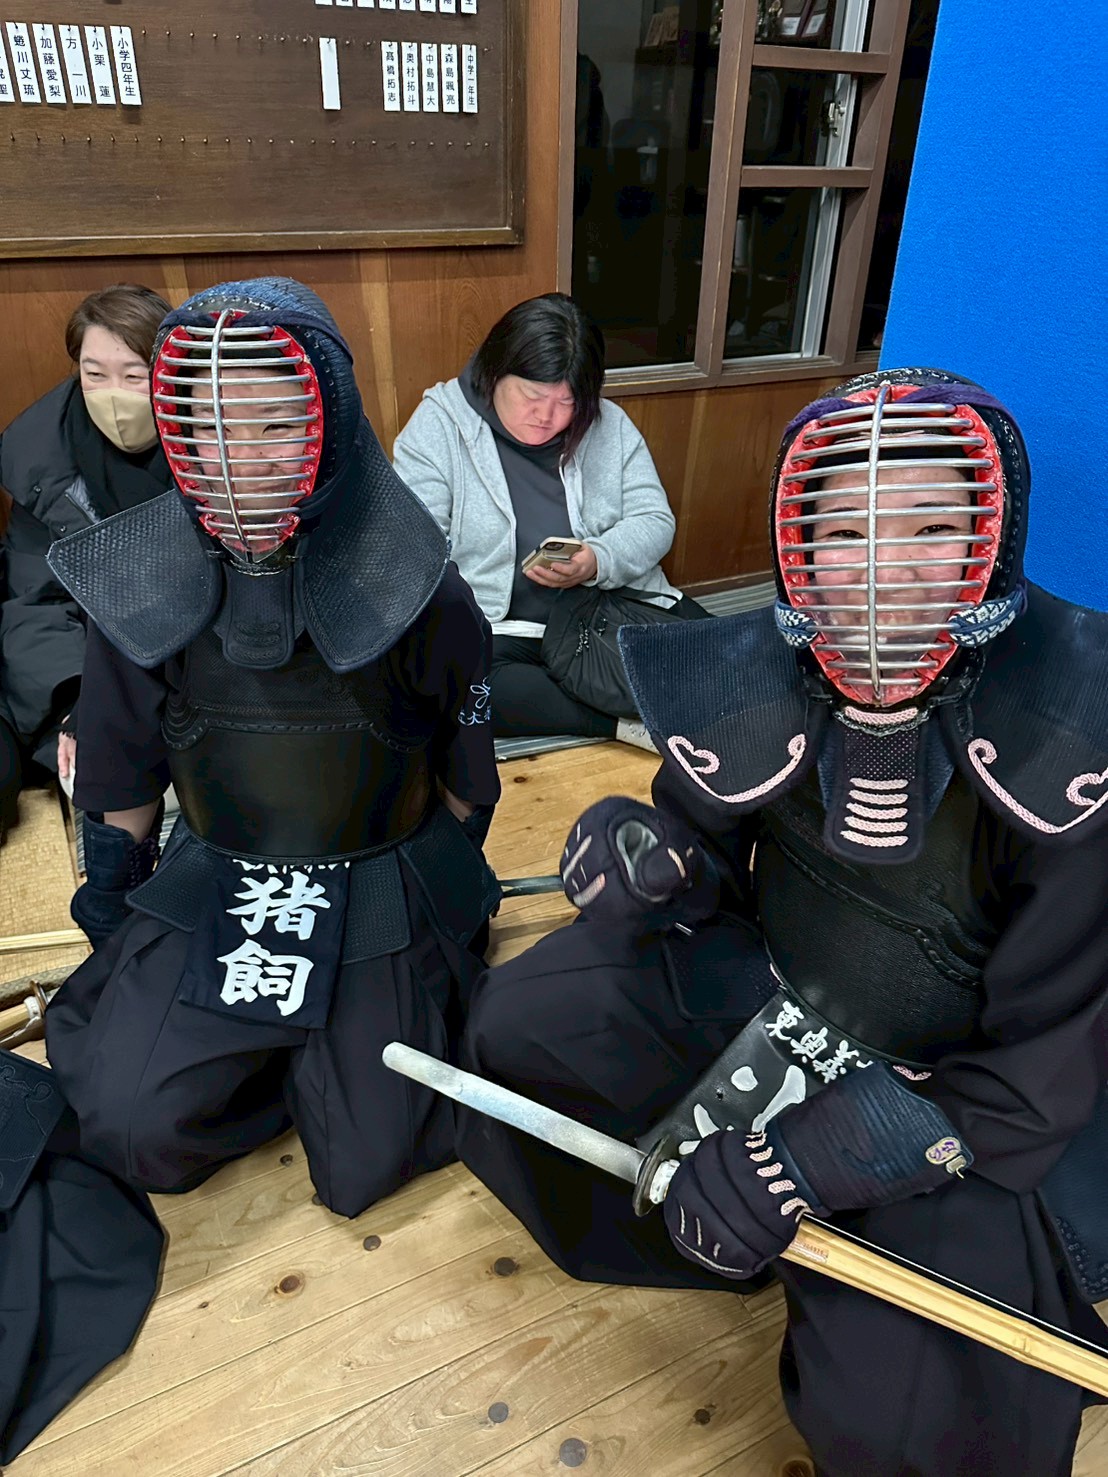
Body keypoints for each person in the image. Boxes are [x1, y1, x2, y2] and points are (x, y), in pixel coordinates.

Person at [456, 370, 1108, 1476]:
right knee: (524, 1020)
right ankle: (718, 1232)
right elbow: (702, 843)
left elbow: (1040, 1067)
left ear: (990, 536)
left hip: (962, 1098)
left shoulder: (1079, 734)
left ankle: (803, 1224)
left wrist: (817, 1157)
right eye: (843, 531)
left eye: (928, 528)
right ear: (798, 542)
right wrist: (650, 855)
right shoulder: (768, 662)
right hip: (784, 985)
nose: (880, 566)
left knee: (903, 1427)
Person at [42, 276, 501, 1219]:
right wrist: (116, 917)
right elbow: (123, 776)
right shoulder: (142, 579)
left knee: (370, 1157)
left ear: (330, 421)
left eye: (274, 426)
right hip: (223, 869)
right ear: (176, 430)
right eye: (208, 428)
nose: (237, 461)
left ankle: (320, 1050)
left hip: (379, 868)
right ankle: (276, 1055)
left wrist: (442, 916)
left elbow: (465, 768)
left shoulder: (417, 578)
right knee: (129, 1124)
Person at [392, 292, 705, 745]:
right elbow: (413, 548)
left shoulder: (608, 424)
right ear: (495, 370)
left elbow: (654, 519)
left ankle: (630, 701)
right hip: (501, 628)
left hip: (603, 612)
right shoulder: (439, 426)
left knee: (729, 659)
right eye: (533, 395)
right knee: (452, 685)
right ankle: (622, 724)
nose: (546, 417)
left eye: (567, 401)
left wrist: (597, 559)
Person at [0, 284, 171, 839]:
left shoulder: (214, 440)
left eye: (134, 375)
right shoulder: (43, 459)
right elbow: (35, 601)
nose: (113, 395)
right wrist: (76, 704)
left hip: (196, 674)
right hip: (95, 677)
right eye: (94, 374)